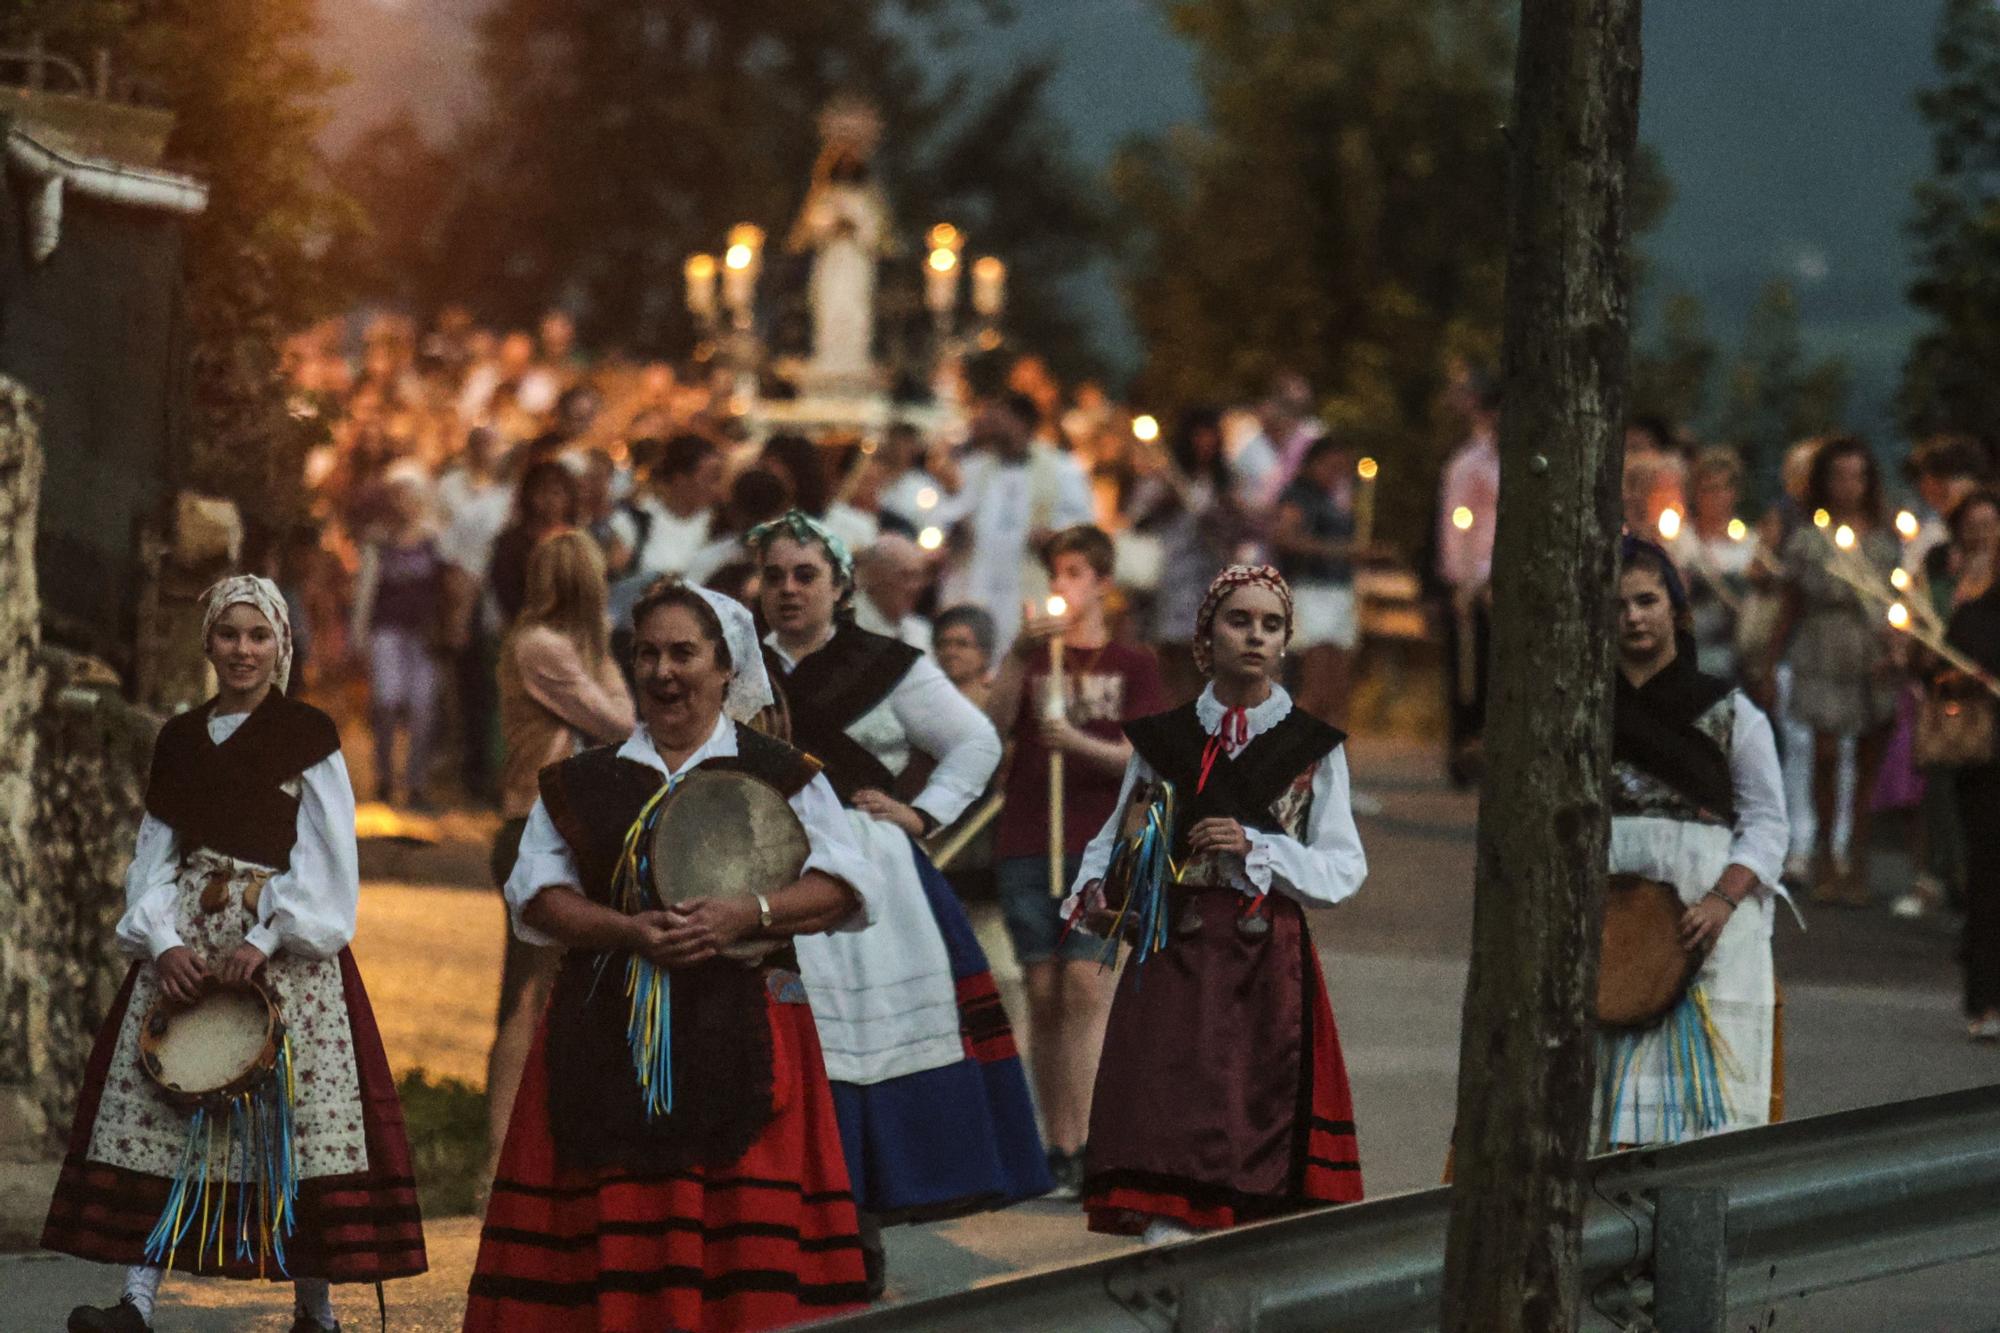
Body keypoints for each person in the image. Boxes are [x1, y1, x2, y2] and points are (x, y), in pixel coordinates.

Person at [465, 580, 876, 1333]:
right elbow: (537, 895)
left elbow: (847, 886)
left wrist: (744, 913)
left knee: (741, 1232)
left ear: (726, 666)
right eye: (648, 653)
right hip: (604, 1037)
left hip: (746, 1030)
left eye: (684, 652)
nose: (663, 671)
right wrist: (627, 932)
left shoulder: (780, 773)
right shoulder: (584, 782)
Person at [46, 576, 425, 1333]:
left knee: (296, 1126)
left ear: (281, 644)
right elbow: (153, 858)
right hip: (188, 943)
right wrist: (164, 942)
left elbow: (326, 861)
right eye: (229, 634)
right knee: (168, 1110)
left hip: (281, 950)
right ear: (208, 643)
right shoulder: (181, 739)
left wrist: (264, 937)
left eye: (258, 635)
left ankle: (315, 1311)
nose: (243, 649)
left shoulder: (307, 735)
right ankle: (136, 1302)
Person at [750, 511, 1049, 1295]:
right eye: (775, 575)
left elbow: (976, 741)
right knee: (783, 1048)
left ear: (841, 585)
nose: (788, 589)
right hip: (765, 870)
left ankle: (860, 1226)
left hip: (866, 883)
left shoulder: (887, 664)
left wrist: (922, 813)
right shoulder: (739, 664)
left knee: (866, 1054)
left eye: (804, 574)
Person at [1063, 564, 1367, 1241]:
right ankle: (1169, 1257)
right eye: (1239, 620)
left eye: (1270, 624)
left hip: (1267, 961)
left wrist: (1257, 848)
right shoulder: (1164, 739)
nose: (1255, 635)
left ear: (1286, 640)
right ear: (1206, 635)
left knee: (1250, 1113)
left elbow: (1343, 869)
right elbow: (1117, 835)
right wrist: (1096, 894)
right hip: (1175, 951)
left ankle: (1242, 1263)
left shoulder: (1312, 747)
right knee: (1169, 1107)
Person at [986, 526, 1166, 1197]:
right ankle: (1054, 1141)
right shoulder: (1037, 659)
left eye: (1074, 572)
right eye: (1055, 572)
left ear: (1102, 584)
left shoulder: (1133, 662)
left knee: (1087, 985)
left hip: (1099, 842)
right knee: (1042, 990)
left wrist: (1080, 744)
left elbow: (1149, 752)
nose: (1061, 584)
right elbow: (992, 727)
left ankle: (1090, 1138)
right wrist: (1013, 657)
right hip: (1030, 835)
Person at [1596, 539, 1789, 1147]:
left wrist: (1722, 901)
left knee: (1696, 1127)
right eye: (1618, 604)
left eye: (1647, 600)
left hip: (1707, 925)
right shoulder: (1578, 710)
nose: (1633, 617)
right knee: (1601, 1121)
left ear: (1676, 610)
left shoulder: (1733, 713)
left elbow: (1767, 823)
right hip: (1606, 931)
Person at [483, 531, 635, 1186]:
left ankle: (546, 1146)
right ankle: (499, 1158)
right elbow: (619, 723)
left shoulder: (560, 645)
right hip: (537, 825)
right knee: (525, 995)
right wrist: (600, 644)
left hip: (570, 826)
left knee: (559, 991)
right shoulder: (542, 648)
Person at [1760, 437, 1901, 905]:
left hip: (1868, 647)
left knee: (1865, 761)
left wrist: (1896, 646)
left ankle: (1855, 856)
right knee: (1822, 754)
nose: (1848, 485)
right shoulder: (1807, 538)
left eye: (1857, 475)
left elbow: (1897, 600)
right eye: (1839, 475)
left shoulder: (1882, 539)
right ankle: (1822, 849)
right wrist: (1770, 660)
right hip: (1820, 645)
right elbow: (1791, 602)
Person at [935, 392, 1096, 652]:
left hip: (1029, 579)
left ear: (1022, 422)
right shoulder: (974, 468)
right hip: (979, 580)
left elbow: (1083, 526)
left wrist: (1055, 536)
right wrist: (953, 528)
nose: (992, 422)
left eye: (1001, 416)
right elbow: (948, 514)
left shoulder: (1061, 469)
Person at [1127, 406, 1241, 704]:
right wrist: (1165, 502)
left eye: (1211, 435)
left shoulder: (1224, 482)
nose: (1205, 442)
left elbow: (1240, 527)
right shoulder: (1164, 477)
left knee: (1204, 657)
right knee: (1171, 653)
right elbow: (1136, 520)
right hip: (1171, 578)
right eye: (1199, 434)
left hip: (1208, 577)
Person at [349, 467, 447, 808]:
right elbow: (365, 589)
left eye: (411, 495)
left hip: (425, 634)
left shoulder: (436, 539)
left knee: (423, 708)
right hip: (386, 630)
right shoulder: (378, 540)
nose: (404, 503)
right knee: (387, 702)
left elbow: (447, 587)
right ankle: (385, 777)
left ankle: (417, 783)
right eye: (398, 495)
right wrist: (357, 634)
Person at [1940, 516, 2000, 1038]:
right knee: (1988, 877)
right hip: (1988, 763)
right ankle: (1986, 998)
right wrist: (1960, 679)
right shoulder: (1977, 610)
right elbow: (1941, 672)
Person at [1436, 376, 1501, 787]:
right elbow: (1456, 521)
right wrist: (1460, 578)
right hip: (1476, 578)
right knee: (1469, 673)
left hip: (1505, 576)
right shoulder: (1469, 463)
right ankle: (1464, 755)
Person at [1273, 435, 1363, 727]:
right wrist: (1338, 550)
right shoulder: (1298, 496)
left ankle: (1334, 762)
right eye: (1331, 467)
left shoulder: (1337, 498)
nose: (1336, 475)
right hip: (1311, 591)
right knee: (1315, 686)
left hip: (1340, 591)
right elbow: (1285, 539)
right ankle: (1300, 758)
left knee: (1339, 689)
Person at [604, 433, 724, 632]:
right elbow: (614, 585)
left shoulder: (719, 525)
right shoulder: (636, 521)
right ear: (680, 479)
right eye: (711, 478)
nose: (717, 488)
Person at [1667, 448, 1760, 682]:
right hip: (1691, 646)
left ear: (1735, 492)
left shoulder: (1750, 543)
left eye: (1723, 488)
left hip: (1737, 650)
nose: (1716, 497)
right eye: (1708, 489)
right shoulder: (1680, 540)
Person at [852, 533, 934, 650]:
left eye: (918, 576)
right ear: (874, 576)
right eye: (905, 576)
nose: (915, 587)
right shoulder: (845, 624)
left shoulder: (922, 633)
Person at [932, 605, 998, 710]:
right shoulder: (926, 700)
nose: (950, 652)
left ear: (985, 653)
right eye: (943, 644)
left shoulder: (997, 705)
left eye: (962, 644)